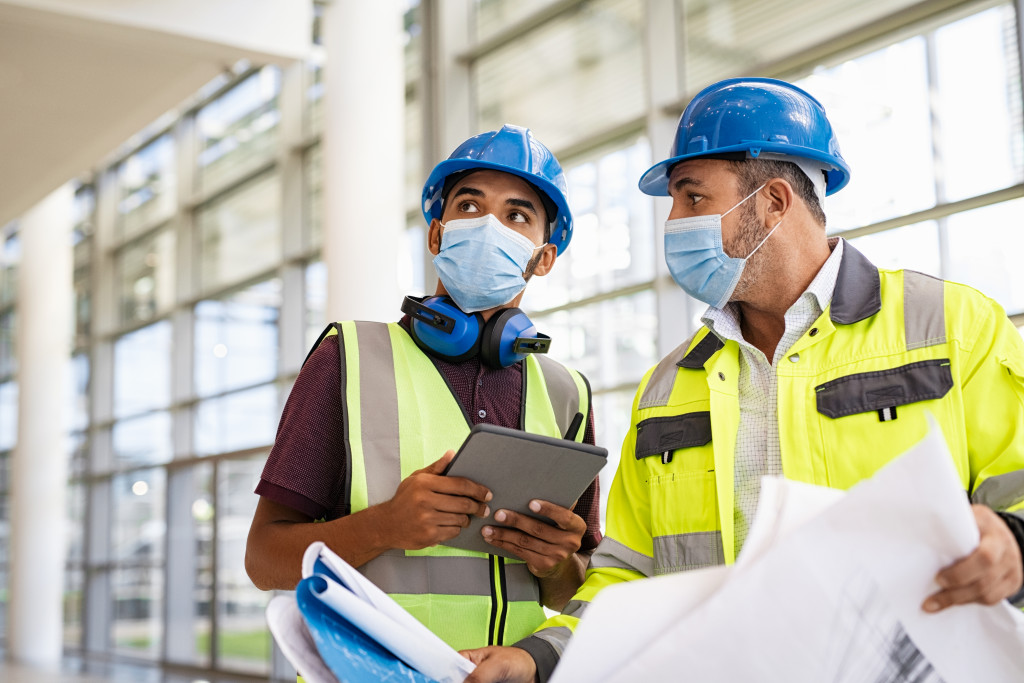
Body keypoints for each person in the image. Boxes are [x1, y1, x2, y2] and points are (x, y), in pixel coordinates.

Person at [461, 78, 1024, 682]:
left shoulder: (950, 327)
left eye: (692, 198)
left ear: (774, 201)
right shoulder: (668, 386)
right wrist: (538, 658)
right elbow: (627, 578)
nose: (674, 221)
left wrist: (1014, 544)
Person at [245, 124, 603, 651]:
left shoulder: (566, 392)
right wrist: (384, 526)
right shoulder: (347, 358)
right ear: (437, 234)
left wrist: (557, 563)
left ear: (543, 258)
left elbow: (577, 585)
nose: (488, 227)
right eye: (469, 207)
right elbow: (263, 560)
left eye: (517, 216)